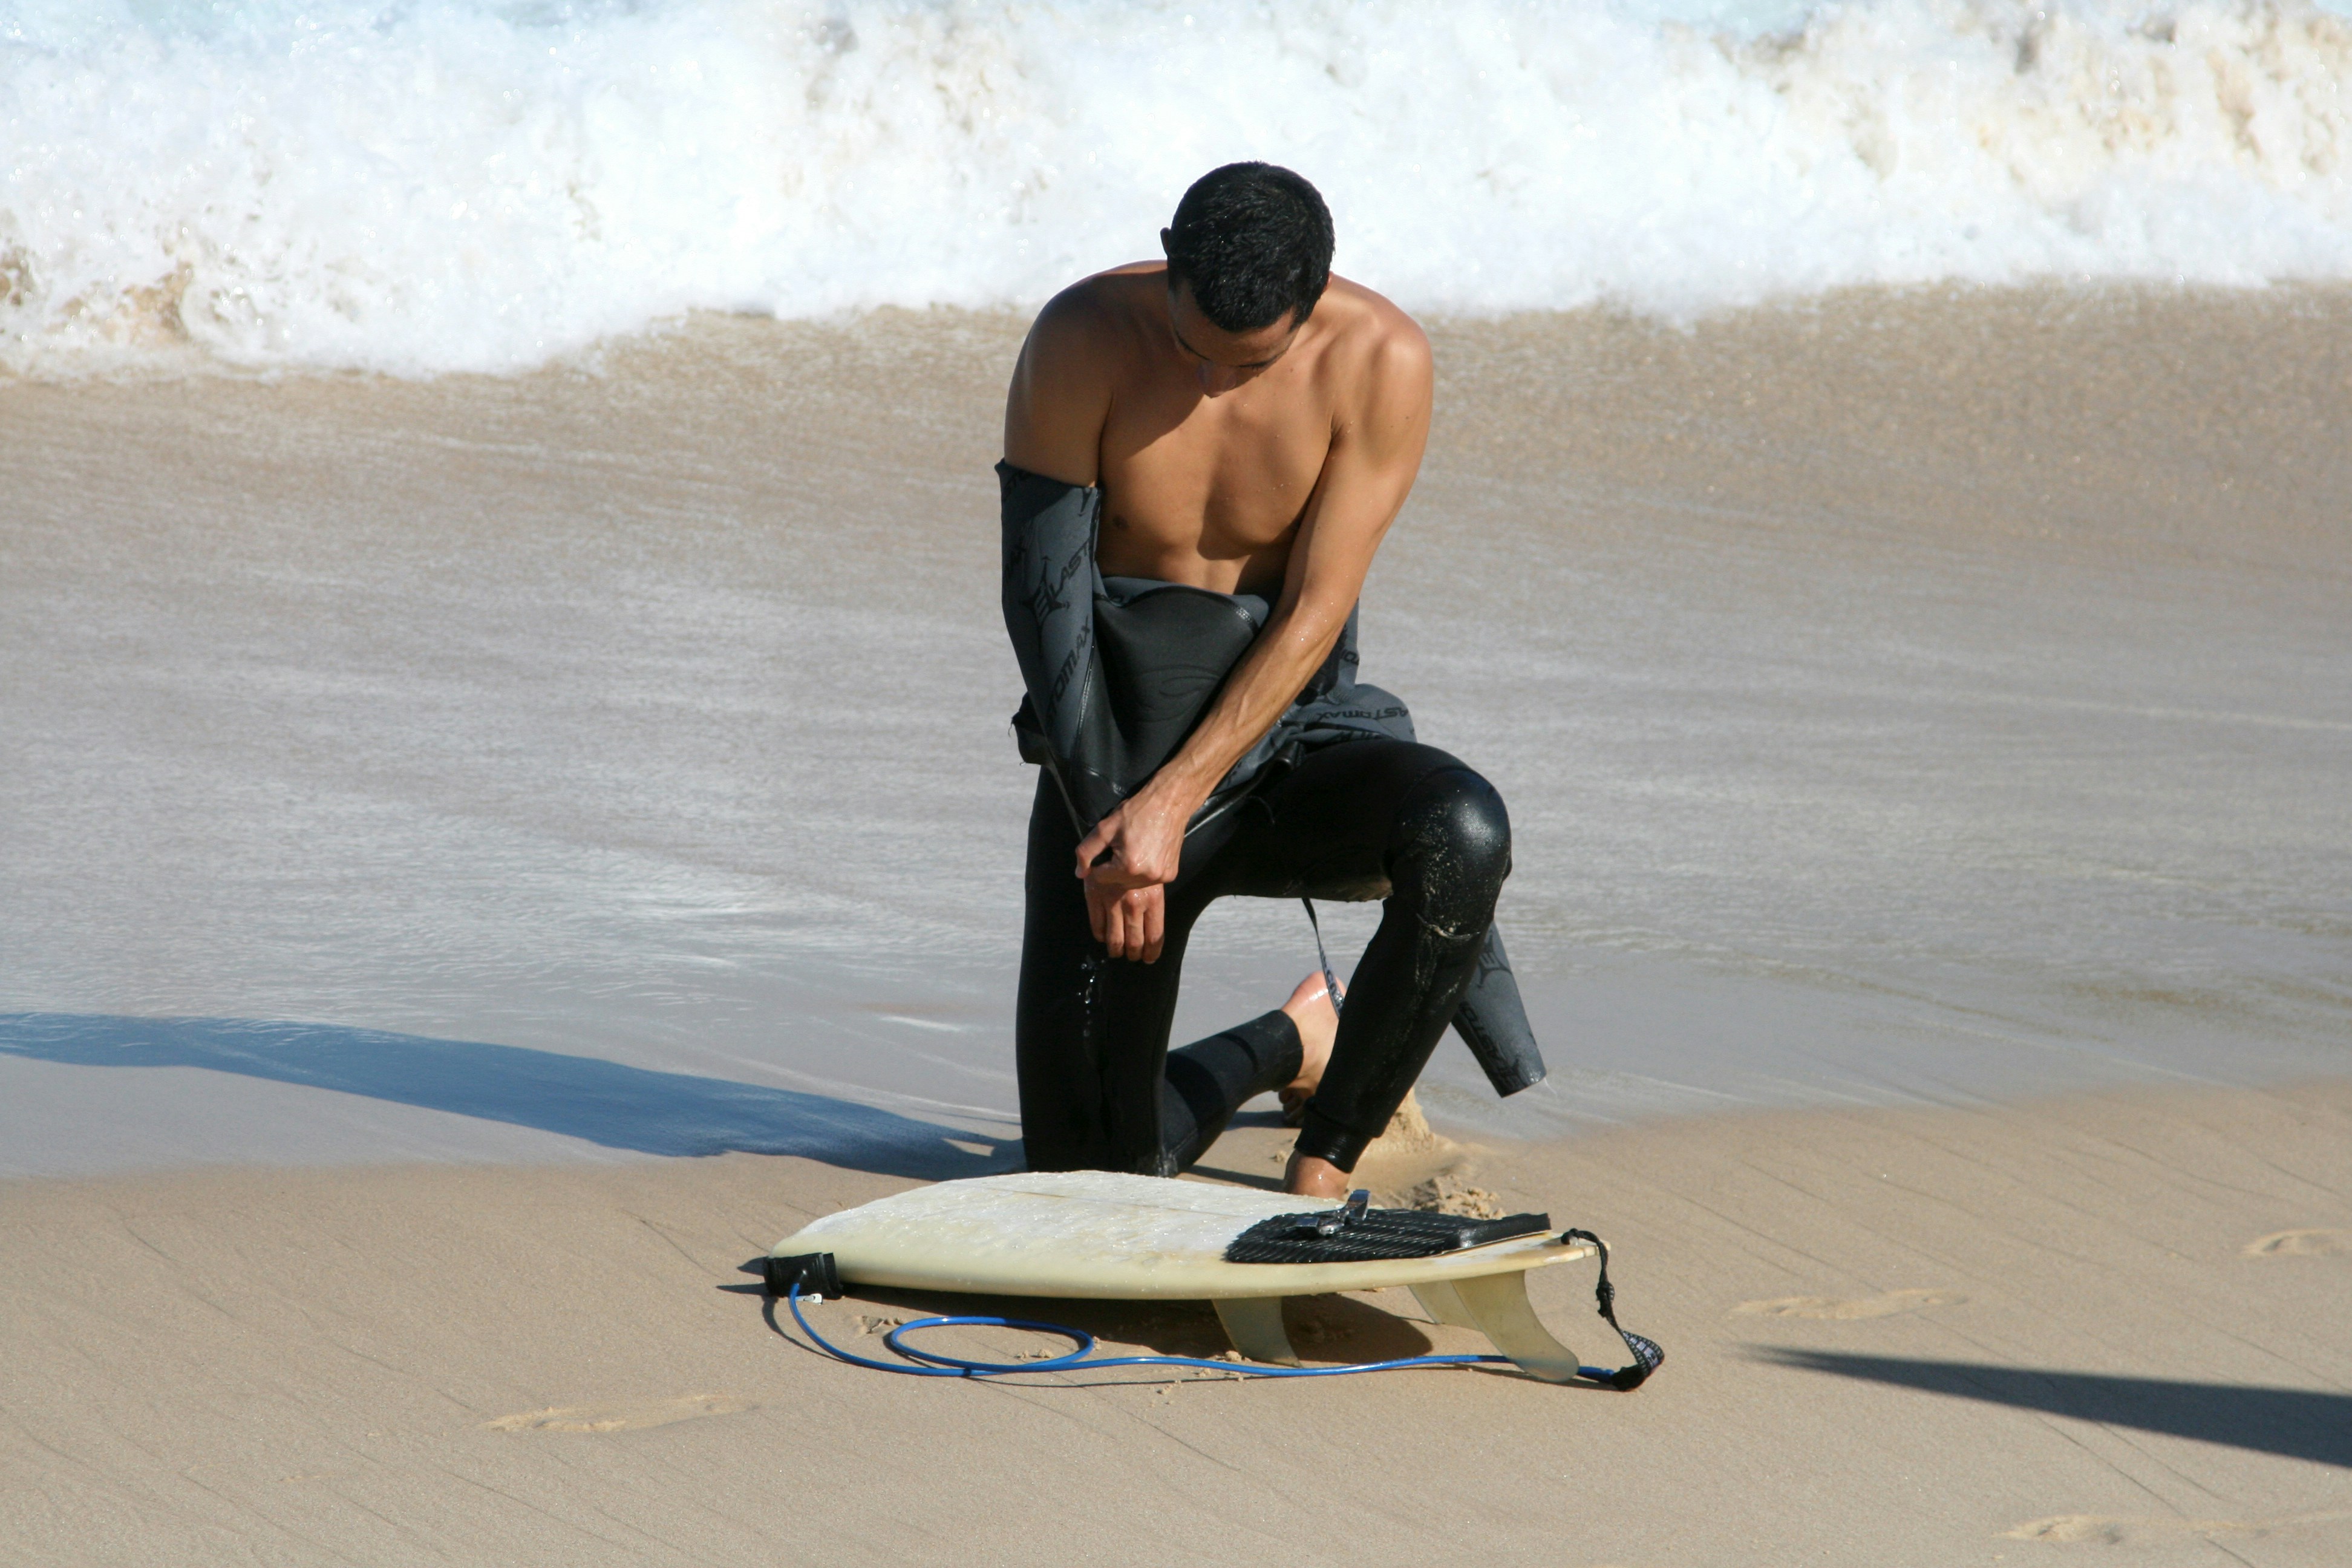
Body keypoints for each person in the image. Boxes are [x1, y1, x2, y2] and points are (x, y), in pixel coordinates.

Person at [999, 162, 1543, 1200]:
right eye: (1191, 348)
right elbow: (1043, 603)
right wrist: (1119, 817)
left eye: (1248, 366)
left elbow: (1313, 612)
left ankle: (1324, 1162)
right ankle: (1293, 1037)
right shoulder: (1080, 337)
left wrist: (1176, 801)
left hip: (1286, 751)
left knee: (1462, 830)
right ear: (1169, 261)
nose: (1212, 385)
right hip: (1111, 758)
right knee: (1090, 1175)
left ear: (1313, 300)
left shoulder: (1381, 358)